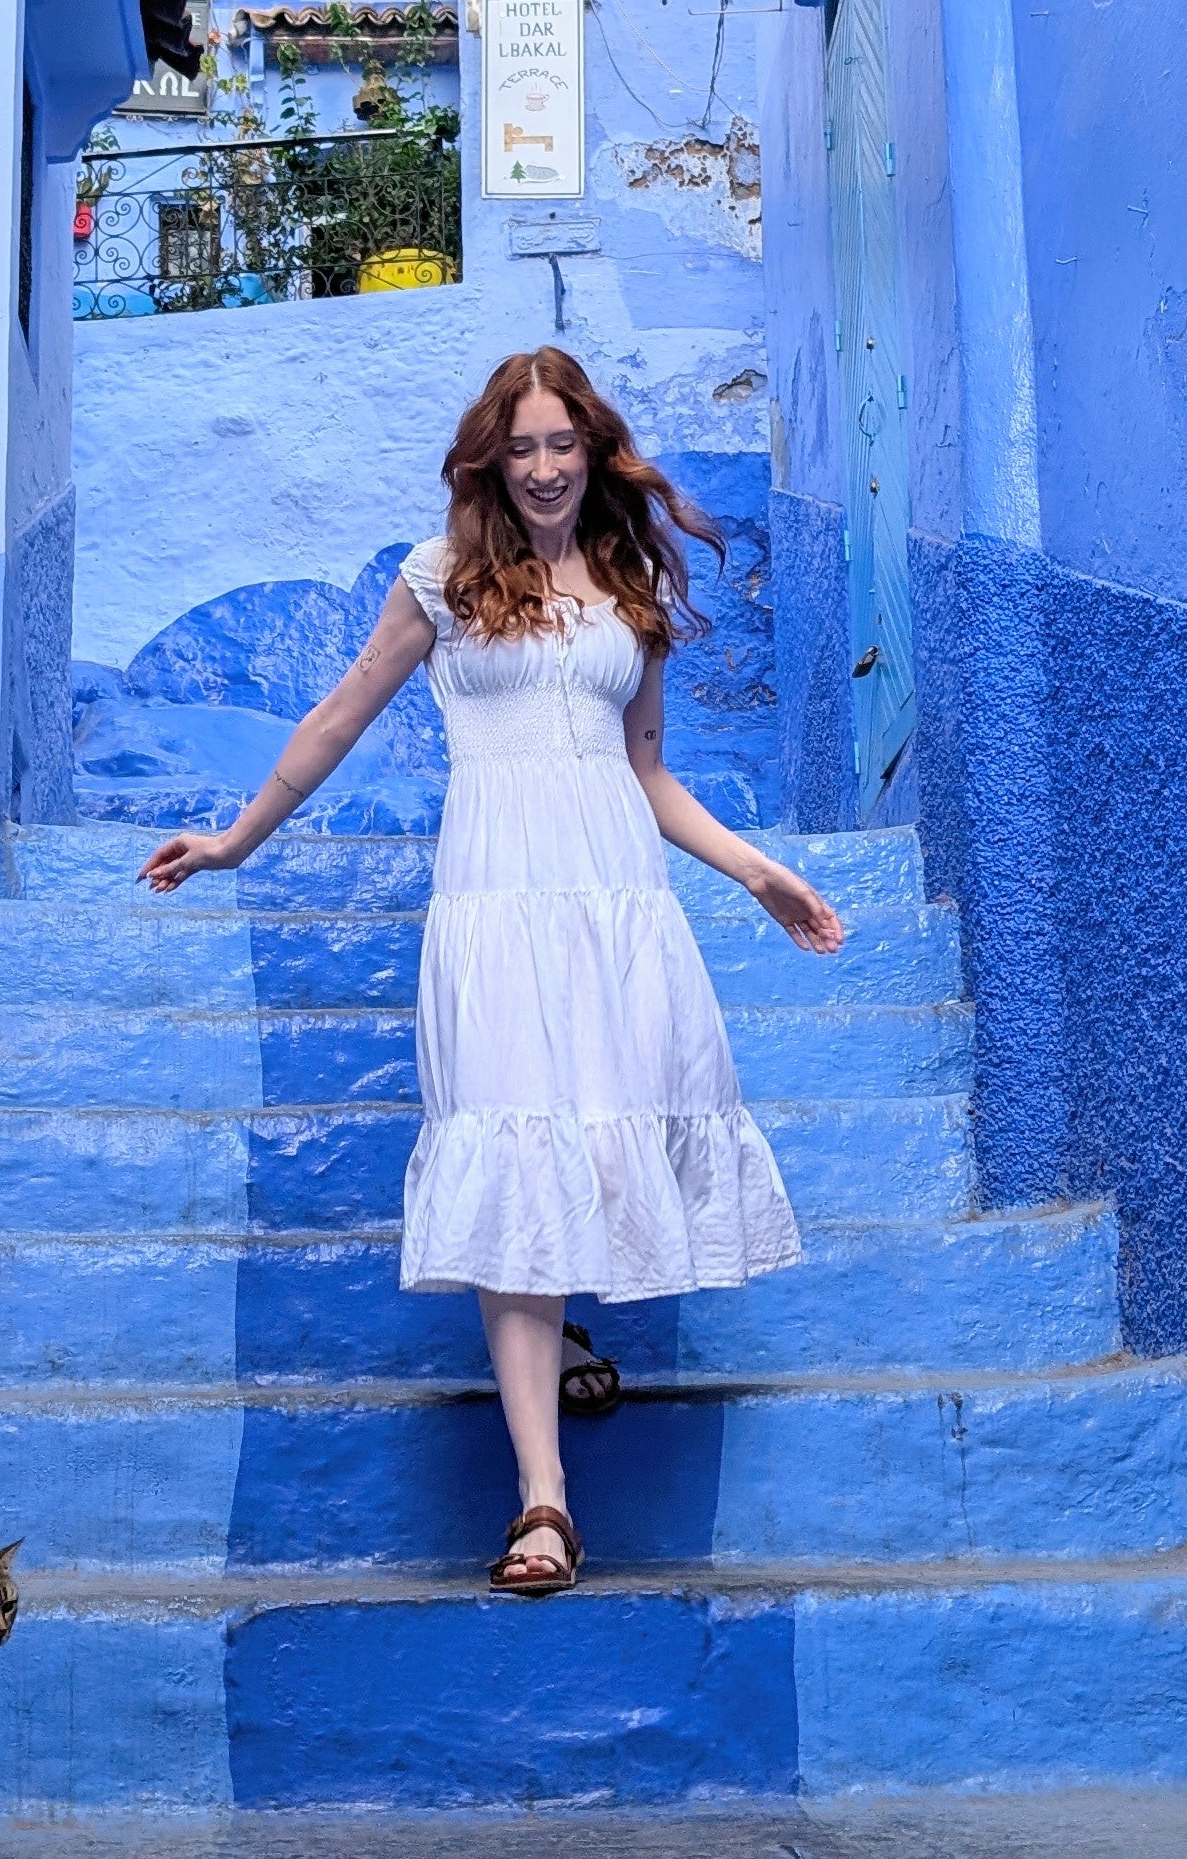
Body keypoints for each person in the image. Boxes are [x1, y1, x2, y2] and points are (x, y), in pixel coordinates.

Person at [143, 348, 844, 1589]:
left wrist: (757, 873)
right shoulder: (445, 580)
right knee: (514, 1143)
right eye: (518, 448)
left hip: (616, 901)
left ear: (593, 449)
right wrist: (238, 839)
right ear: (490, 459)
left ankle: (565, 1323)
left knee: (595, 1133)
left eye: (559, 445)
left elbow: (650, 772)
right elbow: (344, 711)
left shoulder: (630, 587)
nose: (541, 469)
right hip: (495, 902)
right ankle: (544, 1503)